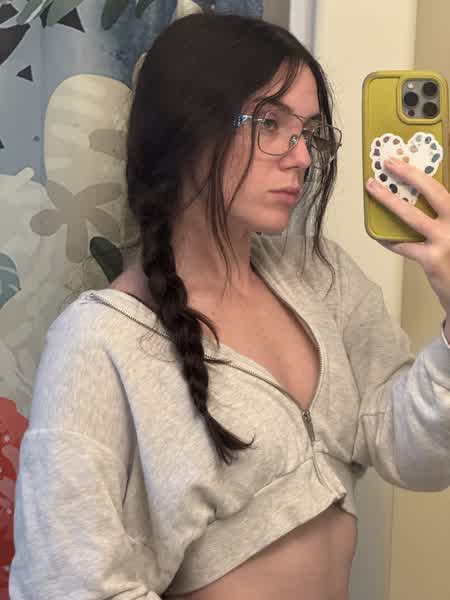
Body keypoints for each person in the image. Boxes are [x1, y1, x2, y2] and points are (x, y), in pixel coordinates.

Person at [9, 12, 450, 600]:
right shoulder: (98, 342)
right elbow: (64, 583)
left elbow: (414, 456)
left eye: (309, 132)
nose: (301, 156)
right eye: (270, 123)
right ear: (189, 129)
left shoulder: (322, 276)